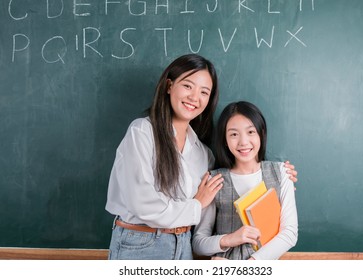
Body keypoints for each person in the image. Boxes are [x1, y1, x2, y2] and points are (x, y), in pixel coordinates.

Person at [105, 54, 298, 260]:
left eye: (204, 92)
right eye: (188, 86)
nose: (194, 98)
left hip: (183, 245)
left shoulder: (202, 153)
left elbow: (287, 232)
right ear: (169, 85)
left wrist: (282, 178)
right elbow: (142, 203)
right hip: (141, 242)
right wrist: (198, 204)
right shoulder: (143, 131)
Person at [192, 101, 298, 260]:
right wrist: (230, 239)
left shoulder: (282, 173)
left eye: (250, 132)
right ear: (225, 139)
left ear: (261, 133)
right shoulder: (215, 180)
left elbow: (289, 233)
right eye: (234, 134)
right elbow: (198, 243)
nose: (243, 142)